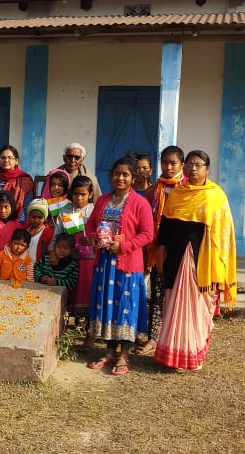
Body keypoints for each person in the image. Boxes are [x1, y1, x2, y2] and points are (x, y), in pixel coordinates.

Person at [154, 150, 236, 371]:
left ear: (207, 169)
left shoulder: (215, 195)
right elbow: (166, 228)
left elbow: (224, 231)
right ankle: (172, 355)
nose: (193, 168)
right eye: (189, 164)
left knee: (198, 308)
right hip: (175, 259)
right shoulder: (177, 194)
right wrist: (161, 252)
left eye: (198, 165)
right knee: (173, 303)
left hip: (202, 261)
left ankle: (193, 353)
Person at [84, 155, 154, 376]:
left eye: (125, 174)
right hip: (105, 264)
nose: (120, 178)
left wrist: (124, 246)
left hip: (128, 265)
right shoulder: (103, 200)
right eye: (117, 174)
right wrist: (93, 237)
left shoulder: (140, 203)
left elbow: (148, 234)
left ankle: (124, 355)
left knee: (125, 307)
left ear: (133, 177)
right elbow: (90, 225)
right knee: (107, 307)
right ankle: (108, 352)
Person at [136, 146, 186, 356]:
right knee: (157, 294)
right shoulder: (154, 190)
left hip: (182, 250)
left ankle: (176, 338)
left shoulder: (188, 189)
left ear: (182, 164)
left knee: (179, 296)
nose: (168, 167)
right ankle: (154, 338)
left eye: (173, 163)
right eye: (165, 162)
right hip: (158, 249)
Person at [65, 176, 96, 336]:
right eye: (76, 194)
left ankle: (89, 325)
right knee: (74, 288)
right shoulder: (66, 210)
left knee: (87, 289)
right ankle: (75, 322)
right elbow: (59, 232)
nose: (79, 198)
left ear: (90, 194)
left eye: (83, 194)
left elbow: (102, 230)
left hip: (90, 258)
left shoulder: (95, 211)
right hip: (71, 257)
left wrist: (91, 239)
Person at [0, 145, 35, 222]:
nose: (6, 160)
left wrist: (18, 223)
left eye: (10, 158)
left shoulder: (25, 180)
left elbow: (27, 206)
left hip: (19, 222)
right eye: (3, 157)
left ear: (16, 161)